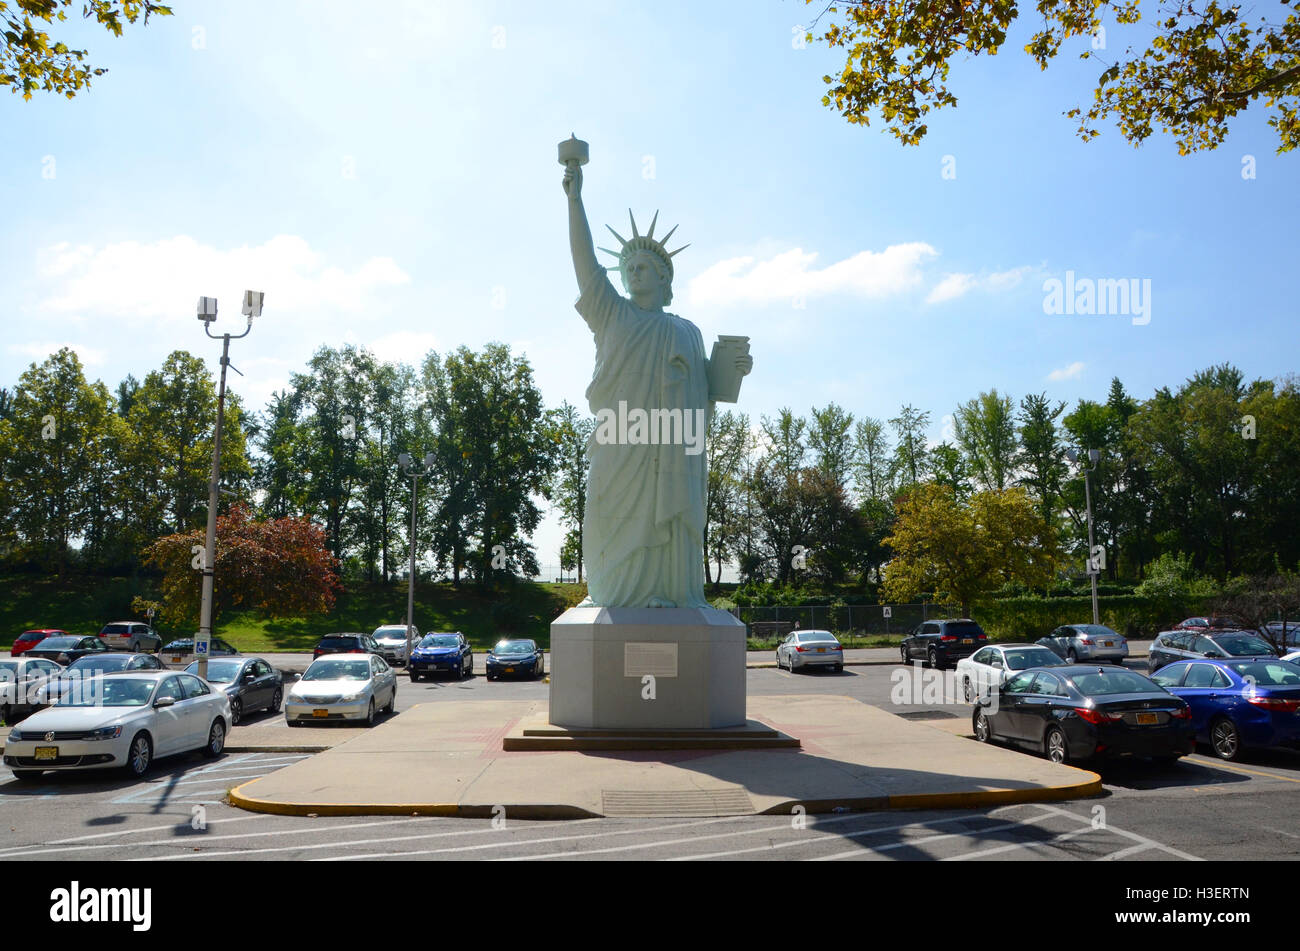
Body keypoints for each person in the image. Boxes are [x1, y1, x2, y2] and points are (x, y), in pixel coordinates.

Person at [563, 160, 751, 608]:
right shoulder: (613, 313)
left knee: (665, 520)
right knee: (611, 514)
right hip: (621, 437)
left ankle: (670, 593)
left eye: (644, 266)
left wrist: (733, 370)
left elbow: (705, 396)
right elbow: (586, 266)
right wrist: (575, 200)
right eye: (629, 267)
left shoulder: (686, 331)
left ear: (665, 278)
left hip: (672, 444)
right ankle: (614, 597)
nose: (634, 273)